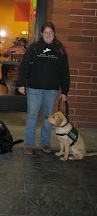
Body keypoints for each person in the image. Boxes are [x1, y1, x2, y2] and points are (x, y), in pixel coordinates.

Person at [17, 22, 70, 155]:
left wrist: (64, 91)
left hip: (51, 90)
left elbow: (65, 71)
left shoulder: (60, 50)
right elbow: (24, 65)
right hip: (34, 88)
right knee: (32, 116)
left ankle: (45, 142)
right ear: (41, 34)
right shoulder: (34, 47)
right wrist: (21, 83)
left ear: (54, 34)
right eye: (45, 32)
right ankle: (29, 144)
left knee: (48, 117)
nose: (48, 35)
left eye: (50, 32)